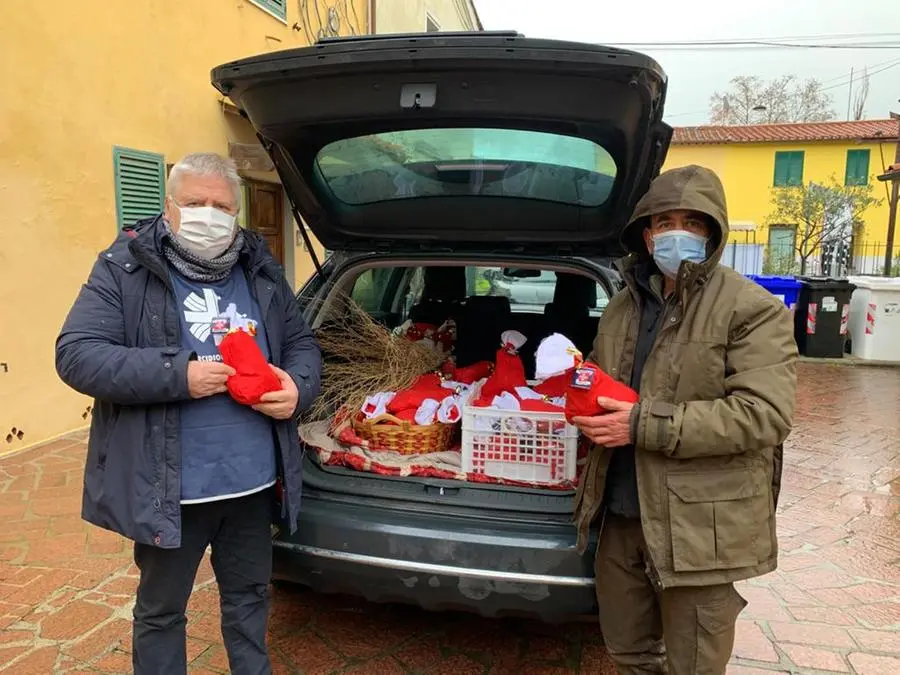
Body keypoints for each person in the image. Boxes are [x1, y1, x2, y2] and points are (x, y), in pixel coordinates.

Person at [56, 152, 321, 675]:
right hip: (170, 488)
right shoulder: (124, 269)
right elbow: (77, 353)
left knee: (248, 602)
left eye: (221, 205)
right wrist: (179, 374)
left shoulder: (261, 270)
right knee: (160, 613)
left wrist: (298, 387)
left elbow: (302, 345)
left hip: (252, 485)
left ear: (236, 213)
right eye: (195, 203)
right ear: (169, 208)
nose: (209, 214)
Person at [571, 165, 797, 675]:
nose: (678, 233)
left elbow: (763, 415)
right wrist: (574, 393)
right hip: (622, 514)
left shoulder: (751, 308)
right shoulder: (622, 307)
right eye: (665, 220)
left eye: (693, 223)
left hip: (700, 526)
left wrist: (640, 424)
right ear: (646, 235)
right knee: (627, 652)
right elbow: (604, 384)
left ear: (713, 232)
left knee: (693, 663)